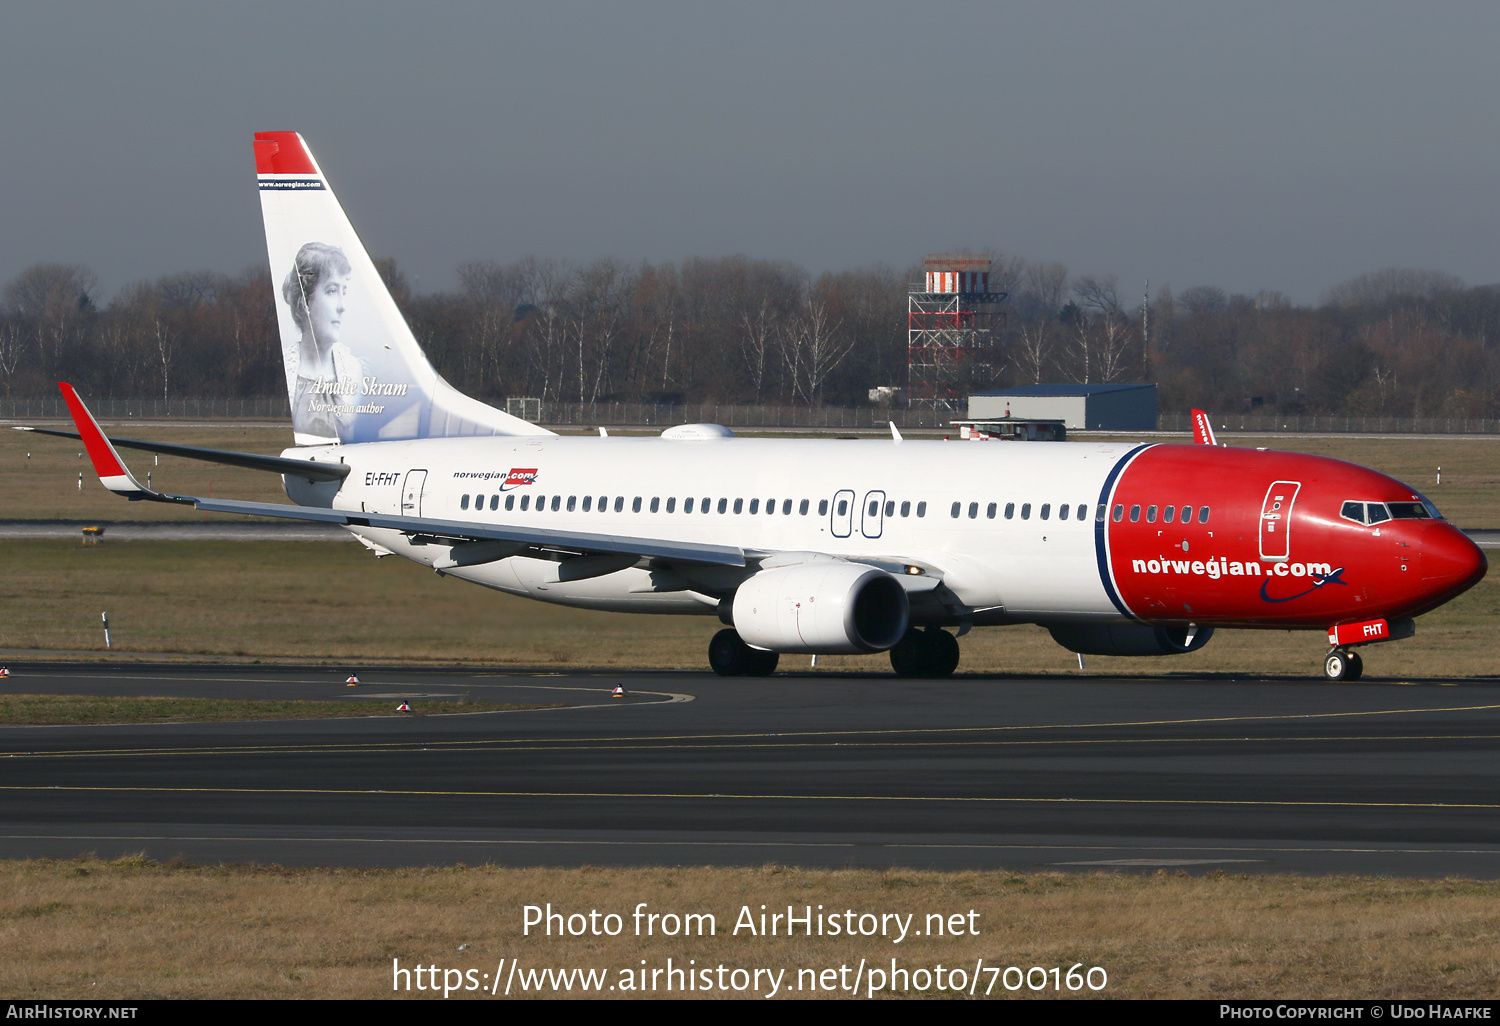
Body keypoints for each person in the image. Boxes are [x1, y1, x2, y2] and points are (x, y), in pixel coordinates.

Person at [282, 242, 362, 439]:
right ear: (305, 301)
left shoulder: (353, 369)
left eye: (344, 292)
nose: (342, 307)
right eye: (332, 291)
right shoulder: (286, 369)